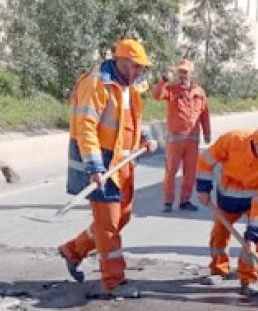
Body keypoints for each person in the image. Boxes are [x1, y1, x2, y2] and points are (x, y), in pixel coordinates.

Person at [58, 39, 159, 297]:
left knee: (121, 217)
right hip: (102, 164)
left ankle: (73, 250)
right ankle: (114, 281)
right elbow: (86, 128)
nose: (139, 73)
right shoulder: (96, 83)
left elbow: (131, 120)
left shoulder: (129, 86)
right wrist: (94, 167)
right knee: (108, 226)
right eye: (136, 67)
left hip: (123, 164)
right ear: (121, 62)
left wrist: (145, 138)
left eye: (141, 69)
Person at [196, 121, 258, 297]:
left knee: (256, 241)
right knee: (220, 233)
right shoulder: (233, 141)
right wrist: (203, 188)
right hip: (228, 196)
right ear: (256, 143)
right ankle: (219, 270)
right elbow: (206, 160)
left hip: (253, 203)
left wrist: (253, 234)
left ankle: (249, 279)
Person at [152, 58, 212, 212]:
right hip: (175, 139)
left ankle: (185, 201)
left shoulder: (199, 92)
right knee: (171, 171)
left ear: (191, 73)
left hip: (193, 139)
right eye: (180, 72)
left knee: (190, 173)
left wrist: (207, 133)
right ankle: (168, 201)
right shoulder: (171, 90)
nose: (182, 75)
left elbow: (204, 114)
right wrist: (164, 80)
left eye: (185, 72)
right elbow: (156, 95)